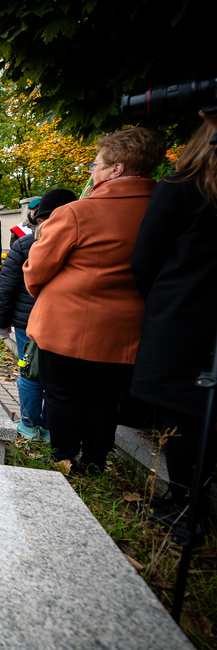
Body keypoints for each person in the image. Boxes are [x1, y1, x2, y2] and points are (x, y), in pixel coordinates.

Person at [24, 126, 166, 474]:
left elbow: (36, 269)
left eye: (96, 164)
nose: (92, 171)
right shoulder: (163, 209)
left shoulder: (79, 212)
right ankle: (95, 461)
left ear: (116, 170)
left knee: (63, 393)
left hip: (68, 324)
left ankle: (64, 457)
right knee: (104, 396)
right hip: (124, 326)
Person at [130, 118, 217, 542]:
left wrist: (164, 303)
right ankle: (192, 502)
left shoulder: (183, 188)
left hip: (184, 316)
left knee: (181, 415)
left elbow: (146, 259)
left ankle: (183, 506)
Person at [0, 188, 77, 441]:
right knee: (58, 378)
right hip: (65, 323)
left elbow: (7, 288)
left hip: (29, 323)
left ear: (40, 218)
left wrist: (1, 322)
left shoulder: (25, 244)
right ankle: (50, 428)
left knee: (30, 372)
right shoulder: (82, 242)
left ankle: (30, 425)